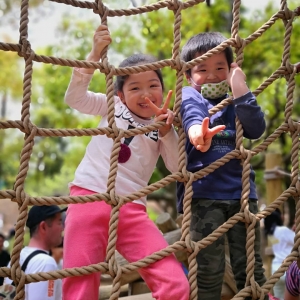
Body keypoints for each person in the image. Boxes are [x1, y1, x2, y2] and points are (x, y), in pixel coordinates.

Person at [62, 24, 190, 300]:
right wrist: (95, 54)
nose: (146, 93)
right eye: (135, 87)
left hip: (131, 210)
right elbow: (74, 98)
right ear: (120, 95)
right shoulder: (112, 106)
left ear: (164, 89)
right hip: (88, 198)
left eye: (153, 85)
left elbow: (178, 169)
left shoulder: (163, 125)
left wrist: (167, 133)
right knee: (79, 290)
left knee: (176, 285)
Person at [177, 32, 267, 300]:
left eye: (220, 68)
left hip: (242, 195)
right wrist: (197, 133)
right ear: (188, 75)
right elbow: (192, 117)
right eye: (202, 69)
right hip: (204, 196)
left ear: (231, 69)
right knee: (208, 270)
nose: (213, 75)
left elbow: (256, 129)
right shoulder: (189, 96)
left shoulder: (236, 101)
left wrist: (240, 89)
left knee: (250, 268)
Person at [4, 205, 65, 300]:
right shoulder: (46, 263)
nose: (63, 228)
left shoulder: (18, 256)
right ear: (43, 227)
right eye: (59, 222)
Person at [264, 208, 295, 299]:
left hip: (275, 270)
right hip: (288, 269)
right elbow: (296, 240)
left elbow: (283, 242)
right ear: (278, 217)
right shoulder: (283, 230)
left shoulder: (270, 233)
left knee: (279, 298)